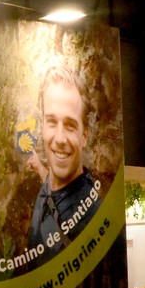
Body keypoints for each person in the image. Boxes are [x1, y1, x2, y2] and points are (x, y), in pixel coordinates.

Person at [28, 64, 102, 257]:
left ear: (84, 136)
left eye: (70, 125)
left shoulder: (95, 219)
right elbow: (52, 183)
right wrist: (39, 166)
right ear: (43, 126)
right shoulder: (50, 188)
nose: (60, 138)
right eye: (52, 122)